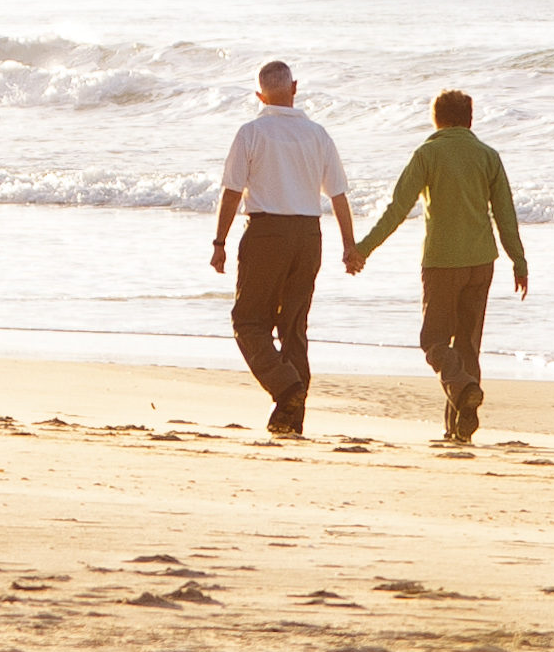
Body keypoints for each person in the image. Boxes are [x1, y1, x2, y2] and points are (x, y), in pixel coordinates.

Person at [344, 86, 528, 446]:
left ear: (436, 119)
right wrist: (518, 260)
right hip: (482, 262)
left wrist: (363, 248)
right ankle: (459, 427)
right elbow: (506, 214)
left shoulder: (427, 154)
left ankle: (462, 392)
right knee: (467, 346)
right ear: (470, 120)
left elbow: (397, 209)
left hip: (443, 262)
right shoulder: (488, 155)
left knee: (433, 340)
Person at [206, 60, 354, 438]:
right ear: (295, 88)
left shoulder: (251, 132)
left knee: (249, 321)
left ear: (259, 95)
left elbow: (232, 191)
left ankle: (285, 388)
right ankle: (291, 416)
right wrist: (349, 245)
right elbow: (338, 194)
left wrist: (220, 242)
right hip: (309, 236)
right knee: (293, 327)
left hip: (267, 233)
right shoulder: (318, 134)